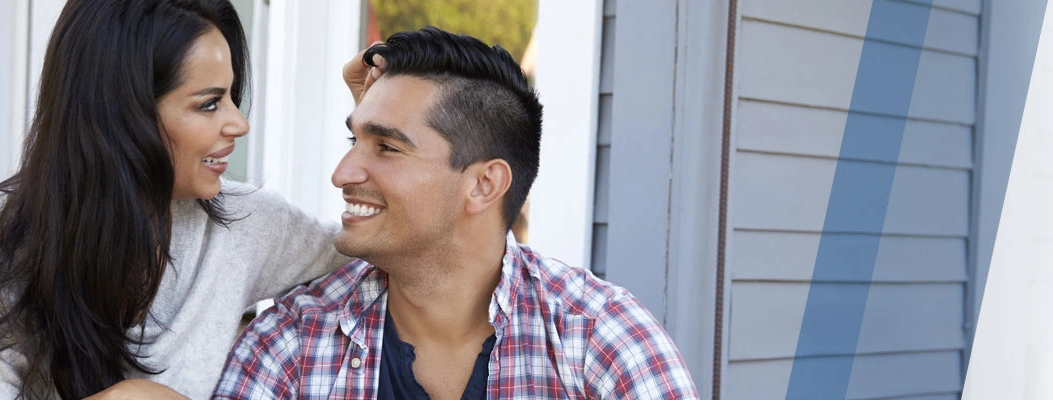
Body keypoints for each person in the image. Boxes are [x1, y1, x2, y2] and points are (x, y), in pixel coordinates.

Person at [0, 0, 384, 398]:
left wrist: (373, 115)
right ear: (122, 113)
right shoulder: (0, 234)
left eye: (231, 98)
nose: (238, 124)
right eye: (208, 103)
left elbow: (390, 253)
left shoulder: (248, 224)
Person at [214, 27, 700, 400]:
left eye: (386, 146)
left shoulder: (598, 336)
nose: (342, 173)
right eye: (353, 139)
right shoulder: (294, 341)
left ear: (484, 184)